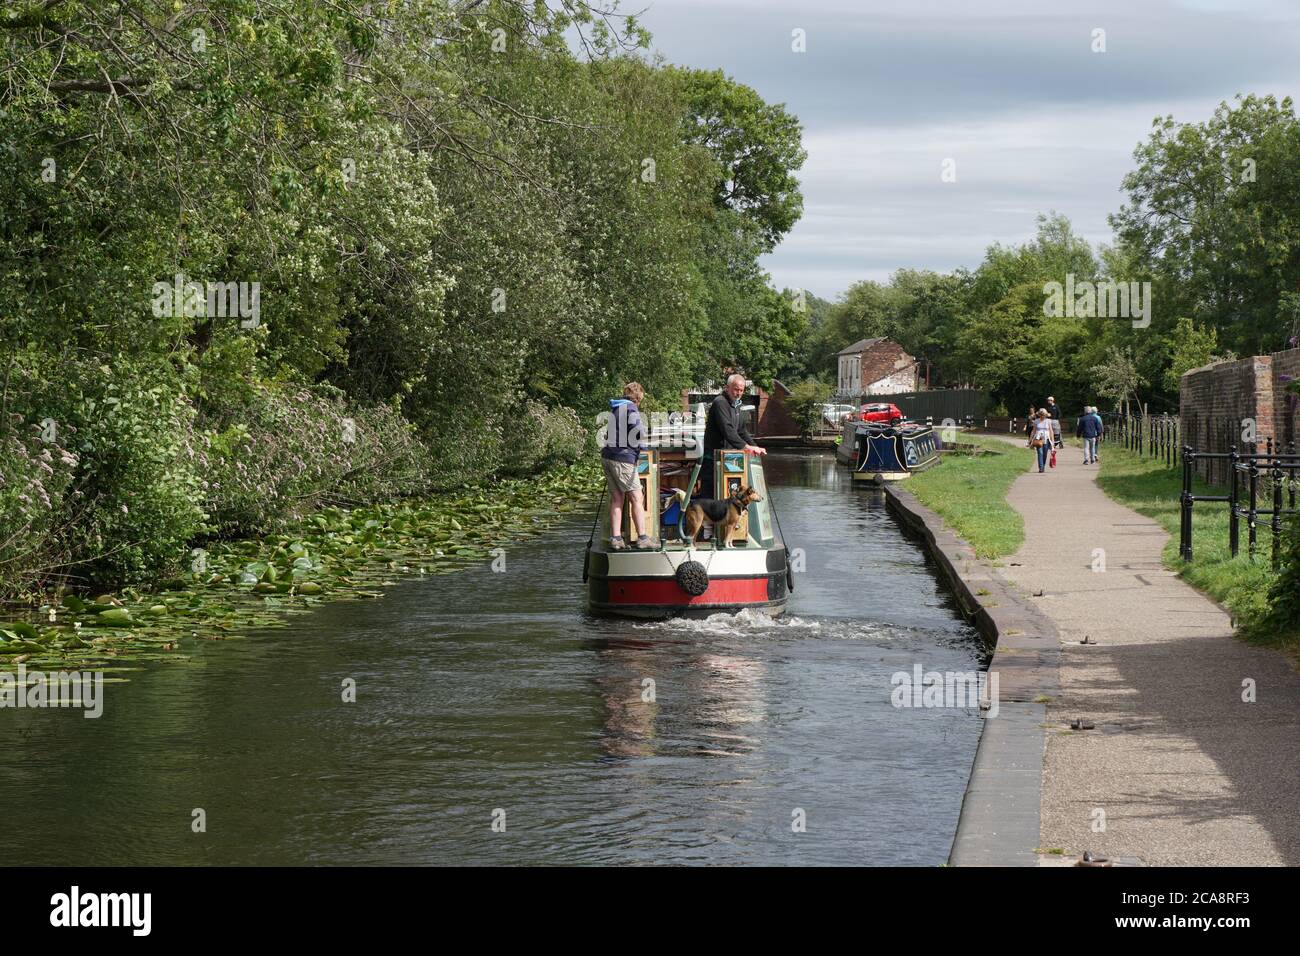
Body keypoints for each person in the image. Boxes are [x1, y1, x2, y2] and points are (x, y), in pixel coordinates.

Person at [601, 382, 652, 550]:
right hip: (623, 459)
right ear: (638, 397)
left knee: (617, 499)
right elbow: (638, 431)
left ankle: (616, 538)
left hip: (608, 457)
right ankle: (643, 538)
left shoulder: (616, 409)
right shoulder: (631, 409)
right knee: (637, 498)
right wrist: (643, 446)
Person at [700, 373, 766, 496]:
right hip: (714, 459)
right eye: (736, 389)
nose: (739, 393)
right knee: (711, 497)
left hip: (729, 458)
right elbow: (728, 430)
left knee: (728, 497)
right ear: (727, 387)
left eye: (741, 390)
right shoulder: (720, 402)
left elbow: (741, 431)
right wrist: (746, 447)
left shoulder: (736, 406)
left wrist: (755, 447)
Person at [1030, 408, 1053, 473]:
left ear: (1046, 415)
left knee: (1045, 454)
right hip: (1038, 439)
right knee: (1040, 453)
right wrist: (1030, 440)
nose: (1042, 416)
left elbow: (1051, 431)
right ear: (1039, 415)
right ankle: (1041, 468)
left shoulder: (1048, 421)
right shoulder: (1036, 421)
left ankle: (1043, 466)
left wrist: (1052, 441)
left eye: (1043, 415)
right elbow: (1033, 431)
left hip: (1046, 439)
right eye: (1041, 414)